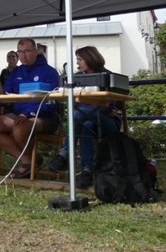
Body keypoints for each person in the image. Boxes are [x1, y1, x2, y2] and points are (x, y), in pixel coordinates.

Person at [0, 37, 61, 179]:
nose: (23, 55)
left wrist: (27, 114)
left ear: (36, 51)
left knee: (19, 129)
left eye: (27, 51)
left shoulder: (50, 72)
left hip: (45, 117)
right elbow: (5, 93)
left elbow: (51, 102)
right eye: (20, 52)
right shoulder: (16, 72)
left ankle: (27, 164)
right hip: (20, 115)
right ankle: (28, 160)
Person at [47, 45, 120, 188]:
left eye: (80, 59)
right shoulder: (76, 78)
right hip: (86, 123)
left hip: (108, 123)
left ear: (89, 59)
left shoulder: (108, 76)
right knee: (86, 125)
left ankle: (65, 153)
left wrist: (86, 108)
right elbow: (73, 103)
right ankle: (87, 172)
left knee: (78, 114)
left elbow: (108, 107)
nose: (77, 62)